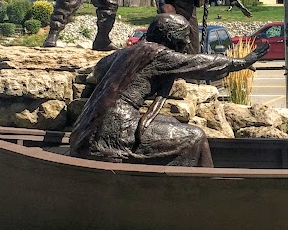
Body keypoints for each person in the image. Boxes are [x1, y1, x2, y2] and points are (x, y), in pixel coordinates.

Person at [70, 14, 269, 167]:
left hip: (87, 129)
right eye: (184, 38)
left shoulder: (127, 52)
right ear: (170, 38)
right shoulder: (159, 54)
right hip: (112, 134)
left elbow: (98, 69)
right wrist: (241, 62)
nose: (188, 43)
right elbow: (200, 63)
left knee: (171, 123)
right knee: (194, 137)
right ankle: (189, 191)